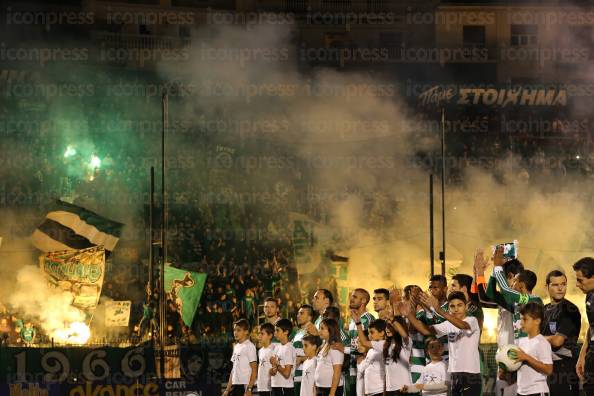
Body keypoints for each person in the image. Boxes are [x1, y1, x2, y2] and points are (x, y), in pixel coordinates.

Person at [405, 291, 481, 396]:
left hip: (470, 375)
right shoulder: (448, 324)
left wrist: (439, 310)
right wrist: (409, 315)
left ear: (466, 306)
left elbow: (464, 326)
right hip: (454, 374)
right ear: (449, 308)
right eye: (452, 306)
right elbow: (426, 331)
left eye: (460, 305)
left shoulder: (472, 320)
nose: (456, 309)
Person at [542, 270, 581, 396]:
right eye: (555, 285)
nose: (560, 288)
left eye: (563, 284)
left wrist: (535, 338)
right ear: (546, 287)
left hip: (565, 368)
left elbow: (558, 341)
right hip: (546, 367)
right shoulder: (544, 309)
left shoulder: (570, 310)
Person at [510, 302, 553, 396]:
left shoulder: (542, 342)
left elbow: (548, 370)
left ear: (537, 321)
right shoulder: (521, 341)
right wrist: (507, 369)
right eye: (521, 319)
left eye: (525, 319)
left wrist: (526, 357)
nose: (521, 323)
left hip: (537, 392)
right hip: (520, 392)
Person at [573, 257, 594, 396]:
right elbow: (592, 327)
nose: (577, 285)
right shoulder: (589, 296)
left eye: (580, 280)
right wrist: (582, 354)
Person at [348, 288, 374, 396]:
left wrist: (365, 353)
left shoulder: (368, 319)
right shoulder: (352, 320)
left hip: (364, 366)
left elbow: (373, 342)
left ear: (363, 301)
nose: (351, 299)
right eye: (351, 296)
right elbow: (353, 342)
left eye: (355, 297)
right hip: (352, 365)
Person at [224, 319, 257, 396]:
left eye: (238, 330)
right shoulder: (236, 346)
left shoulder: (250, 346)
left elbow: (254, 369)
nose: (235, 332)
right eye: (234, 330)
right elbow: (233, 370)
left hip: (245, 385)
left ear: (246, 331)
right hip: (236, 385)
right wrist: (227, 390)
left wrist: (249, 388)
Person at [315, 318, 344, 396]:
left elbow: (337, 371)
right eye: (319, 328)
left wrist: (332, 393)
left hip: (330, 389)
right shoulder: (323, 346)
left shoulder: (335, 347)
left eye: (322, 328)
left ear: (330, 330)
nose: (319, 331)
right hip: (320, 388)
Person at [357, 319, 386, 396]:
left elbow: (387, 372)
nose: (369, 335)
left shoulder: (384, 346)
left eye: (372, 332)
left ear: (382, 333)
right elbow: (361, 369)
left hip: (380, 390)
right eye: (369, 332)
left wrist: (358, 323)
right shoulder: (370, 351)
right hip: (370, 391)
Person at [293, 305, 316, 395]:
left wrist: (301, 359)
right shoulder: (298, 332)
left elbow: (317, 354)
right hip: (296, 375)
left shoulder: (312, 332)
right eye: (298, 313)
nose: (298, 315)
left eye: (302, 313)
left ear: (310, 317)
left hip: (306, 375)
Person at [271, 319, 297, 396]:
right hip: (275, 385)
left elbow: (286, 374)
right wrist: (273, 369)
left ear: (286, 332)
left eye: (277, 330)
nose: (275, 333)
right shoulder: (277, 347)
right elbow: (272, 371)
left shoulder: (289, 348)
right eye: (275, 330)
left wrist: (276, 364)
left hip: (285, 387)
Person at [258, 323, 277, 396]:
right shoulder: (260, 351)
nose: (259, 336)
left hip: (269, 388)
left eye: (262, 334)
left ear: (270, 335)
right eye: (259, 333)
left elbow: (275, 370)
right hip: (260, 386)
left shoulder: (273, 349)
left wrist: (273, 370)